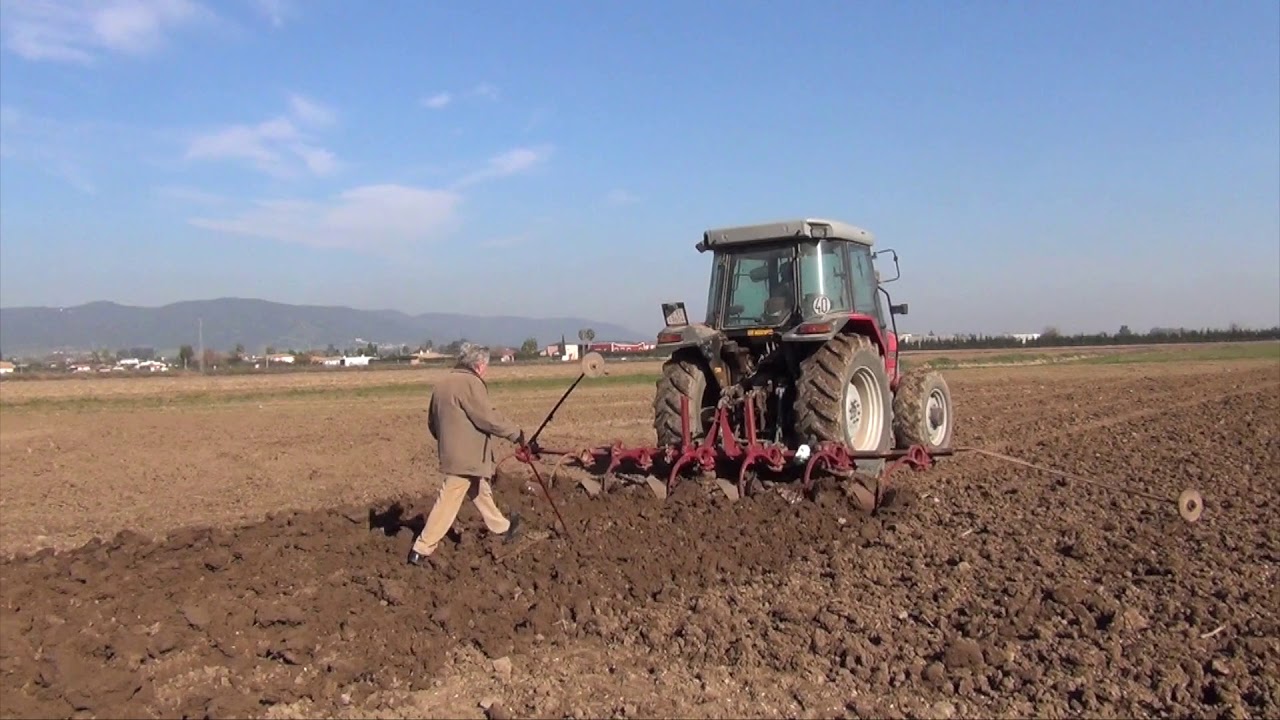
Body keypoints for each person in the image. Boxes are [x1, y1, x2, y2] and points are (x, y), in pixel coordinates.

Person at [407, 342, 526, 566]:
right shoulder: (471, 384)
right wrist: (516, 434)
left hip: (452, 452)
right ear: (480, 365)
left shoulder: (442, 384)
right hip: (467, 455)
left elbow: (432, 423)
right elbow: (487, 417)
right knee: (449, 499)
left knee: (479, 489)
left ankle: (502, 527)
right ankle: (421, 548)